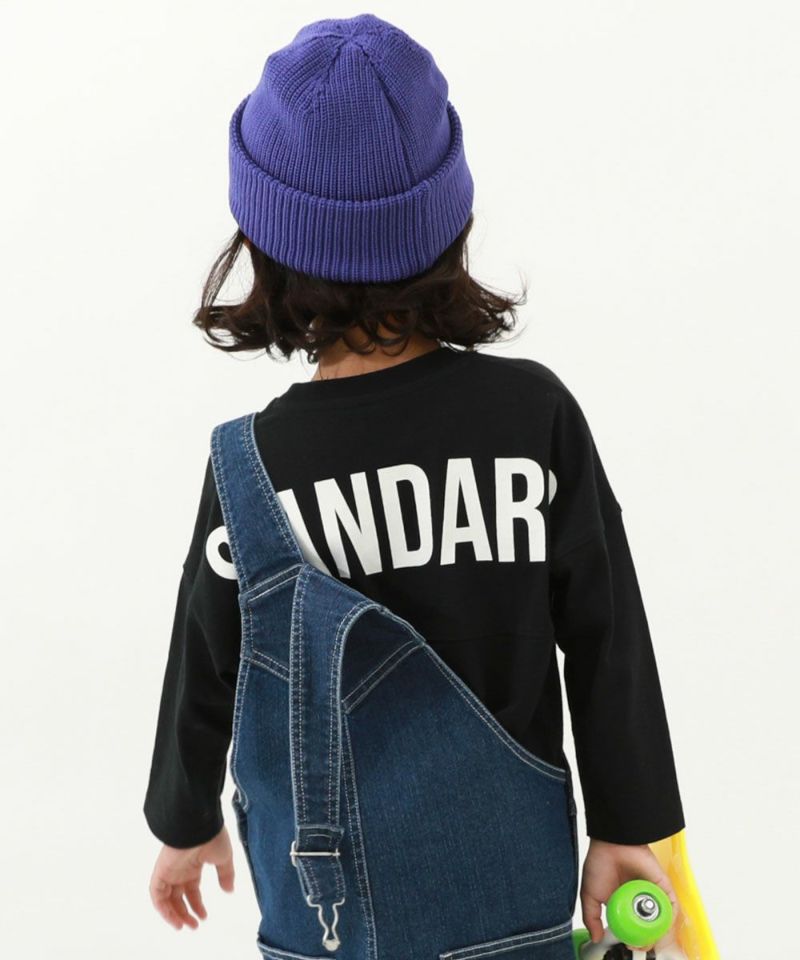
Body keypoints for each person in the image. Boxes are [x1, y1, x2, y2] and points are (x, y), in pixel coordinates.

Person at [143, 12, 684, 951]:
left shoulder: (253, 464)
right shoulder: (533, 417)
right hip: (511, 904)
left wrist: (183, 820)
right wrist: (626, 824)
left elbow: (206, 662)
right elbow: (608, 634)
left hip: (322, 921)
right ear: (449, 223)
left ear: (265, 242)